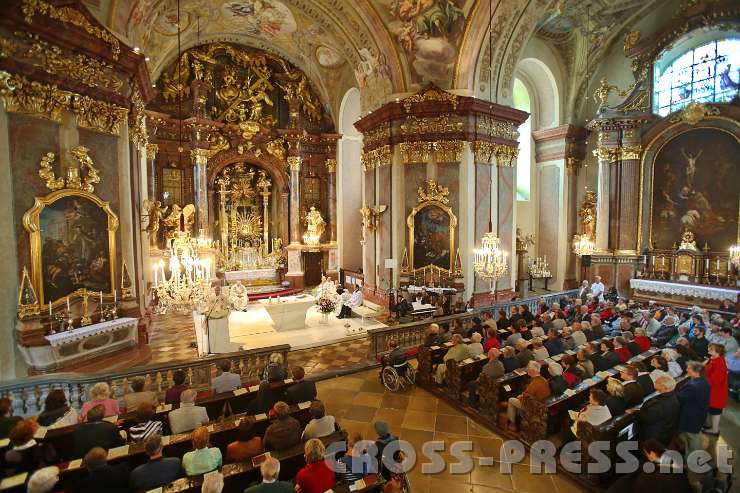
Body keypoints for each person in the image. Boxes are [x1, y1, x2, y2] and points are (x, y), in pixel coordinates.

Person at [632, 374, 679, 445]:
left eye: (656, 382)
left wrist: (635, 412)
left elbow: (646, 418)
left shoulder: (660, 404)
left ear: (663, 387)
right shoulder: (672, 396)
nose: (654, 383)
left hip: (653, 435)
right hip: (665, 431)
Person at [676, 361, 710, 457]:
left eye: (689, 368)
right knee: (693, 435)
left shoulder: (693, 386)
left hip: (691, 416)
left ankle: (692, 458)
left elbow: (679, 397)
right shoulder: (702, 380)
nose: (686, 370)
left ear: (696, 371)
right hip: (699, 412)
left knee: (692, 437)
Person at [507, 361, 550, 431]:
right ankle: (517, 417)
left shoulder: (534, 384)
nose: (527, 370)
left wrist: (520, 397)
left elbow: (527, 399)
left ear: (532, 371)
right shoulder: (544, 380)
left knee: (511, 400)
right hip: (542, 403)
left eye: (528, 369)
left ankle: (512, 424)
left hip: (533, 407)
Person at [704, 343, 728, 435]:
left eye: (711, 349)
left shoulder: (720, 363)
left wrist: (702, 378)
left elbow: (715, 380)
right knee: (711, 409)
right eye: (709, 347)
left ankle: (715, 430)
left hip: (717, 392)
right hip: (712, 390)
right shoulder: (713, 359)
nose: (709, 349)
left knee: (715, 411)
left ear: (718, 352)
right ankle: (709, 425)